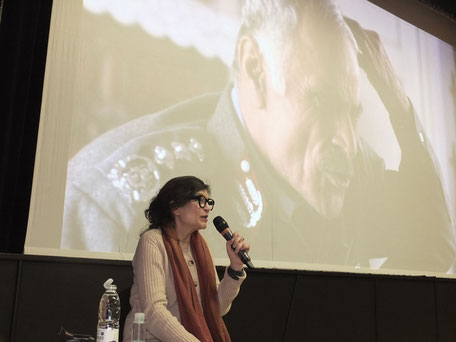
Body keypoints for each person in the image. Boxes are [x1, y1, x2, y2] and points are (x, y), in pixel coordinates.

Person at [62, 0, 456, 273]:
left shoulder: (343, 160)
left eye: (352, 115)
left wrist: (401, 108)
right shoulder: (113, 198)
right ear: (255, 69)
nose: (346, 143)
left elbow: (432, 248)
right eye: (321, 102)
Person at [123, 175, 249, 342]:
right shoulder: (152, 241)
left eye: (209, 202)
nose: (207, 208)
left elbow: (215, 309)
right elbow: (154, 313)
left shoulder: (200, 247)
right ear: (175, 207)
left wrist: (236, 267)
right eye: (200, 201)